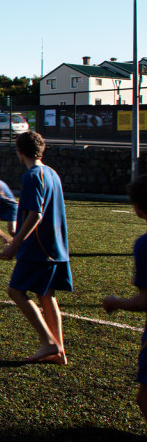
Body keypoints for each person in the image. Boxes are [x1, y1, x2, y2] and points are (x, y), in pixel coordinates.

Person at [0, 131, 71, 365]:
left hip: (38, 247)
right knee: (46, 294)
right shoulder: (52, 173)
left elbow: (35, 214)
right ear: (43, 149)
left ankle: (48, 342)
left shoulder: (32, 176)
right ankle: (58, 350)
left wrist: (15, 244)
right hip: (55, 245)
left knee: (16, 291)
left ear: (19, 151)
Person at [102, 175, 147, 426]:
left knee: (144, 398)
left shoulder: (143, 245)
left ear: (137, 208)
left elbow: (144, 301)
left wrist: (114, 302)